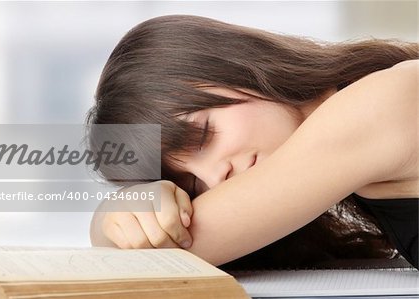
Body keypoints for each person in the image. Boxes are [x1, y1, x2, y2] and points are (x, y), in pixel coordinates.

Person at [86, 15, 418, 269]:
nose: (216, 178)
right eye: (192, 184)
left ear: (239, 66)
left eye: (202, 135)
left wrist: (110, 217)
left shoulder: (380, 105)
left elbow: (161, 254)